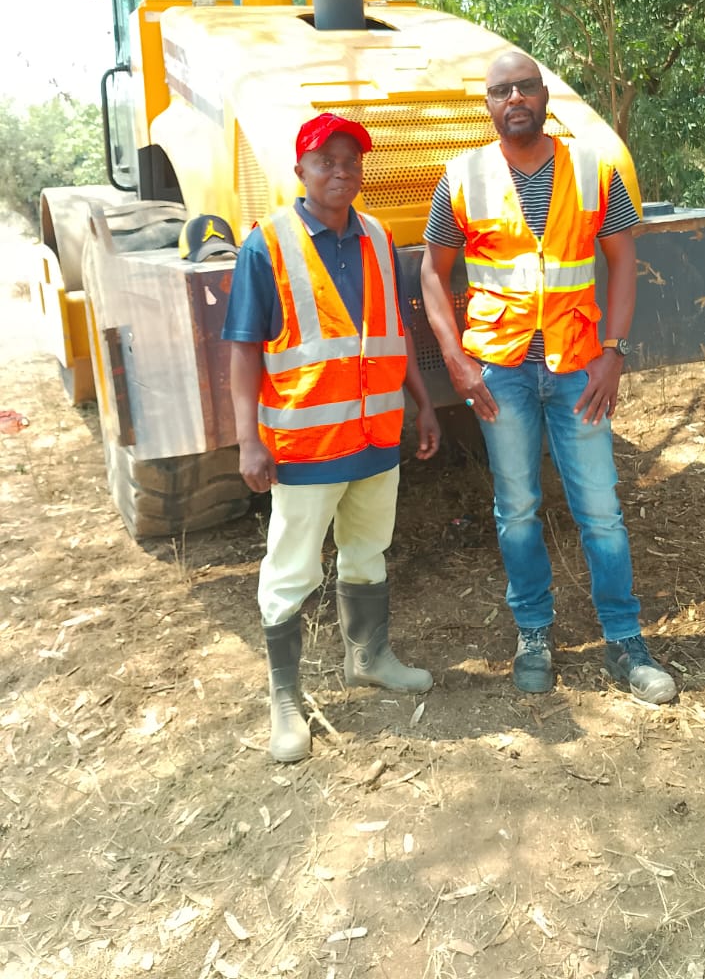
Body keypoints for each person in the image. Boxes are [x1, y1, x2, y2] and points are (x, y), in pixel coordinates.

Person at [420, 51, 677, 704]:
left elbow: (623, 261)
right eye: (501, 90)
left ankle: (625, 642)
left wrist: (614, 352)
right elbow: (432, 271)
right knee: (519, 511)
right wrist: (455, 357)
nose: (515, 98)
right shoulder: (462, 176)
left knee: (601, 511)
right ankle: (534, 634)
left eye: (525, 86)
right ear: (489, 104)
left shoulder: (593, 170)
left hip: (577, 368)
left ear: (544, 95)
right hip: (500, 370)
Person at [224, 112, 441, 763]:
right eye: (327, 161)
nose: (341, 172)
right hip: (307, 449)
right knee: (290, 572)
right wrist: (247, 441)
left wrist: (423, 406)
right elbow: (243, 352)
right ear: (300, 171)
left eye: (352, 161)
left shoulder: (377, 236)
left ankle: (369, 657)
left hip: (376, 439)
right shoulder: (267, 245)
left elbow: (392, 333)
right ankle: (284, 699)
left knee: (368, 552)